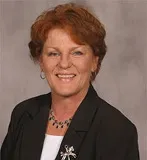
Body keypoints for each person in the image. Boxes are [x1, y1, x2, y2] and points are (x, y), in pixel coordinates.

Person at [1, 3, 139, 160]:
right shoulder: (23, 115)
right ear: (41, 61)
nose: (64, 63)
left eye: (77, 53)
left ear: (95, 61)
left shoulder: (117, 130)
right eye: (53, 53)